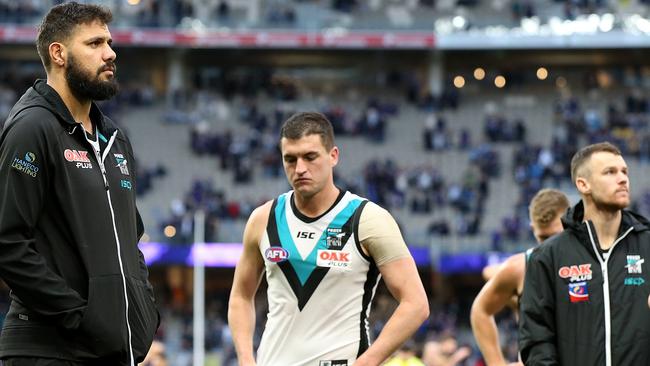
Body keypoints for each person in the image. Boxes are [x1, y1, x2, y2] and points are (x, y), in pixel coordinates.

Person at [0, 3, 158, 365]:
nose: (110, 53)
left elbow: (129, 237)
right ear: (59, 53)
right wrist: (79, 317)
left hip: (106, 351)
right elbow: (7, 242)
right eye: (95, 43)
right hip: (46, 351)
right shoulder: (32, 128)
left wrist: (143, 314)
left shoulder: (115, 138)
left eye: (110, 42)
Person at [228, 112, 429, 366]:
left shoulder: (368, 219)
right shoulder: (263, 219)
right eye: (290, 159)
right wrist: (246, 360)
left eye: (310, 157)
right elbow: (240, 296)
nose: (300, 168)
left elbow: (416, 304)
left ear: (333, 156)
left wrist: (366, 363)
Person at [519, 142, 650, 365]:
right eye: (610, 172)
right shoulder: (547, 256)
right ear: (583, 184)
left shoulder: (647, 245)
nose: (622, 179)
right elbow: (537, 339)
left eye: (624, 172)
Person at [470, 189, 569, 366]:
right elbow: (480, 310)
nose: (548, 247)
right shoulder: (522, 267)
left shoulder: (591, 263)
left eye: (555, 238)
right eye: (543, 238)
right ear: (533, 229)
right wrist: (496, 363)